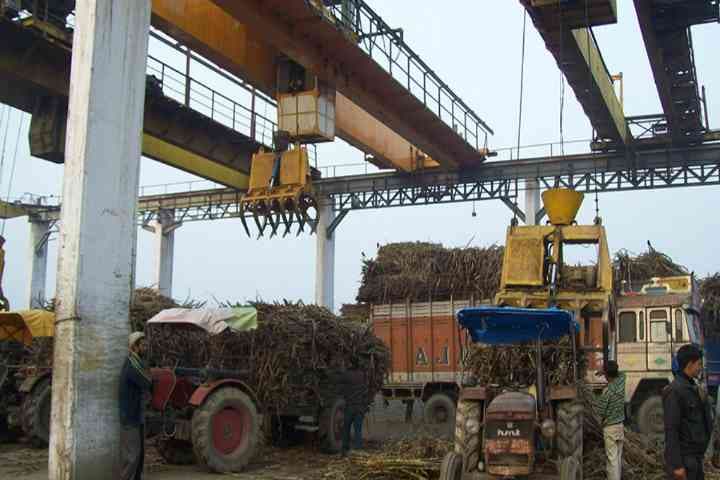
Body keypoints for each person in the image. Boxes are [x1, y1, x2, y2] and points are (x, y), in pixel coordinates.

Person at [663, 344, 713, 480]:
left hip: (695, 459)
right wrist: (677, 466)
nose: (700, 367)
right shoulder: (675, 391)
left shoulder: (692, 387)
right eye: (699, 364)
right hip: (684, 461)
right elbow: (671, 430)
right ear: (690, 364)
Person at [119, 332, 153, 480]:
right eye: (143, 345)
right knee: (132, 455)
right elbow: (146, 381)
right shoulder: (132, 364)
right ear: (135, 347)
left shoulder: (137, 362)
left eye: (146, 345)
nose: (146, 348)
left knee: (139, 454)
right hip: (130, 415)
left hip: (136, 414)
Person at [594, 360, 626, 480]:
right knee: (617, 459)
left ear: (606, 375)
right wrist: (607, 371)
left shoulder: (607, 392)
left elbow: (600, 413)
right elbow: (622, 373)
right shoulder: (621, 381)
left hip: (610, 429)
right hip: (620, 427)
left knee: (612, 461)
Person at [340, 364, 369, 456]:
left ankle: (345, 449)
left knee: (346, 429)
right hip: (359, 407)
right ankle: (358, 449)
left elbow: (340, 385)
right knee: (358, 429)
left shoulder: (346, 375)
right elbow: (365, 389)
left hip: (350, 407)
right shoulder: (362, 374)